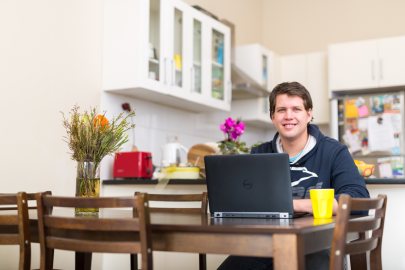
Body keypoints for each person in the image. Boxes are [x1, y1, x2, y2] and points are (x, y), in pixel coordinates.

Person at [217, 82, 369, 270]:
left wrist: (295, 205)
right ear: (273, 116)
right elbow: (246, 203)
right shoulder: (259, 153)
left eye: (296, 109)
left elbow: (358, 199)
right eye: (281, 110)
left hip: (320, 246)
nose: (288, 116)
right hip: (267, 245)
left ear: (309, 114)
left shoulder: (334, 151)